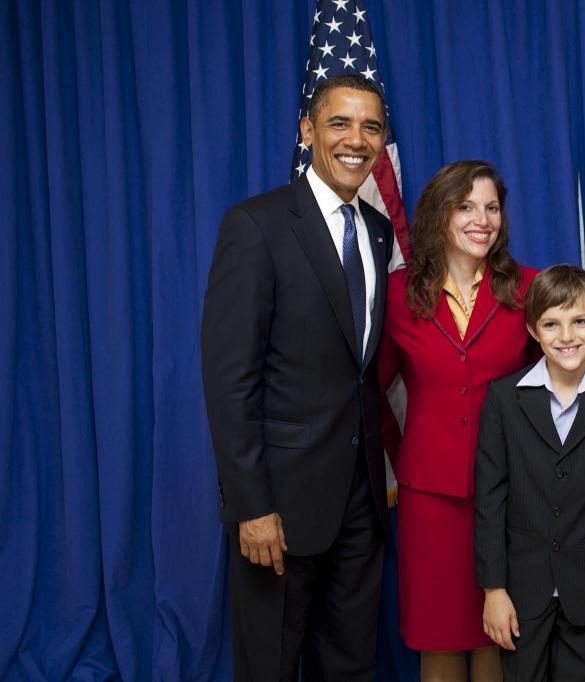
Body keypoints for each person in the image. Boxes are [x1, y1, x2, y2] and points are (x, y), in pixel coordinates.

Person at [378, 162, 585, 681]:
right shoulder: (397, 294)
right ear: (439, 214)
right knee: (436, 636)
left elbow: (576, 368)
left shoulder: (528, 288)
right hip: (430, 497)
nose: (482, 219)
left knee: (499, 635)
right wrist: (407, 457)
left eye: (492, 207)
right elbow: (374, 395)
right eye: (465, 207)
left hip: (512, 498)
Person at [201, 74, 393, 681]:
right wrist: (250, 505)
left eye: (371, 127)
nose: (355, 140)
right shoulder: (256, 225)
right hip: (278, 509)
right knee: (270, 667)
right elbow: (230, 380)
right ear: (308, 129)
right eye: (339, 122)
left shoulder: (380, 230)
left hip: (361, 502)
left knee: (349, 665)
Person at [475, 264, 585, 681]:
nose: (566, 337)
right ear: (533, 330)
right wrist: (493, 589)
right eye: (552, 324)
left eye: (579, 321)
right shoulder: (504, 398)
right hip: (522, 590)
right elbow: (490, 499)